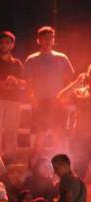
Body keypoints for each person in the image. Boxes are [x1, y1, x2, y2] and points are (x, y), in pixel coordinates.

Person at [25, 26, 75, 156]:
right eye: (44, 38)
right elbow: (27, 82)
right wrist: (31, 98)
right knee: (40, 133)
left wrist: (66, 98)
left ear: (53, 40)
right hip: (40, 102)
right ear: (38, 40)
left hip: (58, 102)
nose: (48, 41)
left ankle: (58, 164)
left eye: (50, 38)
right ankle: (36, 162)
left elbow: (69, 80)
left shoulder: (62, 58)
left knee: (58, 133)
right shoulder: (32, 59)